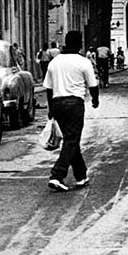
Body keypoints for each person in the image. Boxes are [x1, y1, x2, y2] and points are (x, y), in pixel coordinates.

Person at [43, 30, 99, 193]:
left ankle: (81, 175)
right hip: (75, 104)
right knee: (72, 140)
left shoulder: (54, 62)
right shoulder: (83, 62)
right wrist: (95, 100)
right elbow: (93, 85)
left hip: (57, 103)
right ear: (80, 44)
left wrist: (51, 109)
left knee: (70, 139)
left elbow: (48, 88)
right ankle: (57, 175)